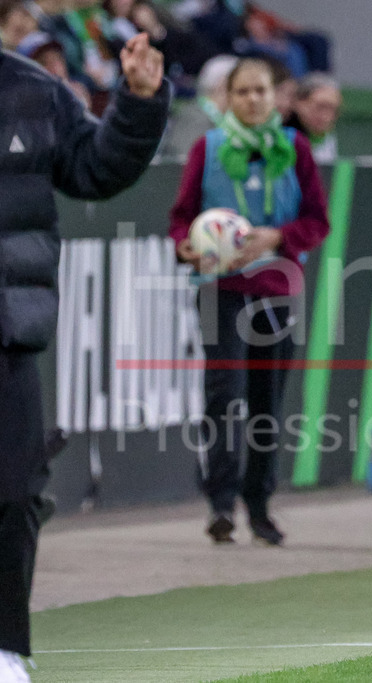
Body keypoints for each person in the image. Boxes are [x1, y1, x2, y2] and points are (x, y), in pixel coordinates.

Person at [0, 32, 168, 681]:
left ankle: (7, 644)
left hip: (9, 329)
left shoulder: (34, 91)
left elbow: (97, 166)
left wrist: (139, 101)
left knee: (14, 493)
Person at [168, 56, 329, 546]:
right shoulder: (209, 149)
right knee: (223, 397)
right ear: (227, 99)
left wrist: (277, 238)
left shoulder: (294, 148)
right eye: (243, 92)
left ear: (276, 97)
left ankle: (258, 505)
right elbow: (180, 219)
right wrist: (188, 247)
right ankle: (220, 503)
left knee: (266, 404)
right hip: (223, 291)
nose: (254, 100)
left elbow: (317, 221)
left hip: (277, 291)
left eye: (262, 91)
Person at [284, 71, 341, 164]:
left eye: (334, 109)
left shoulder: (328, 139)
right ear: (298, 102)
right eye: (321, 106)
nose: (326, 117)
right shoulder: (284, 137)